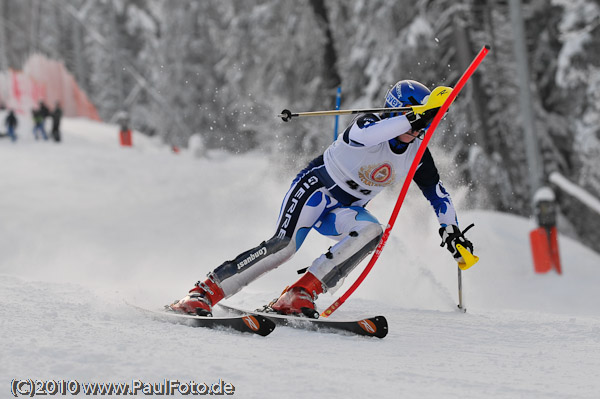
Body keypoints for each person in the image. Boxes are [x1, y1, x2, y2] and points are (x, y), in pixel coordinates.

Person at [169, 80, 475, 318]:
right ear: (400, 112)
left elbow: (438, 193)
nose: (423, 131)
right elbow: (371, 136)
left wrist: (451, 229)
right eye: (422, 123)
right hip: (315, 190)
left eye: (428, 125)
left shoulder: (417, 153)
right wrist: (414, 117)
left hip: (346, 209)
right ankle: (203, 292)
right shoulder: (368, 125)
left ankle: (299, 293)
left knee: (372, 231)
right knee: (284, 247)